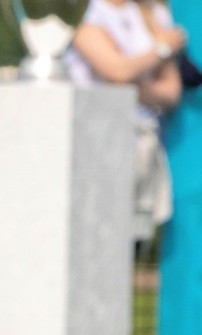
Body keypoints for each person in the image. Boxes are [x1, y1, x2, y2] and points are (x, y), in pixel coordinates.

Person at [65, 0, 187, 245]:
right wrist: (161, 50)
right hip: (91, 145)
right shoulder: (86, 11)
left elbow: (171, 91)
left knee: (132, 242)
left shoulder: (156, 13)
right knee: (89, 240)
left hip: (142, 146)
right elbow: (117, 71)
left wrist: (127, 81)